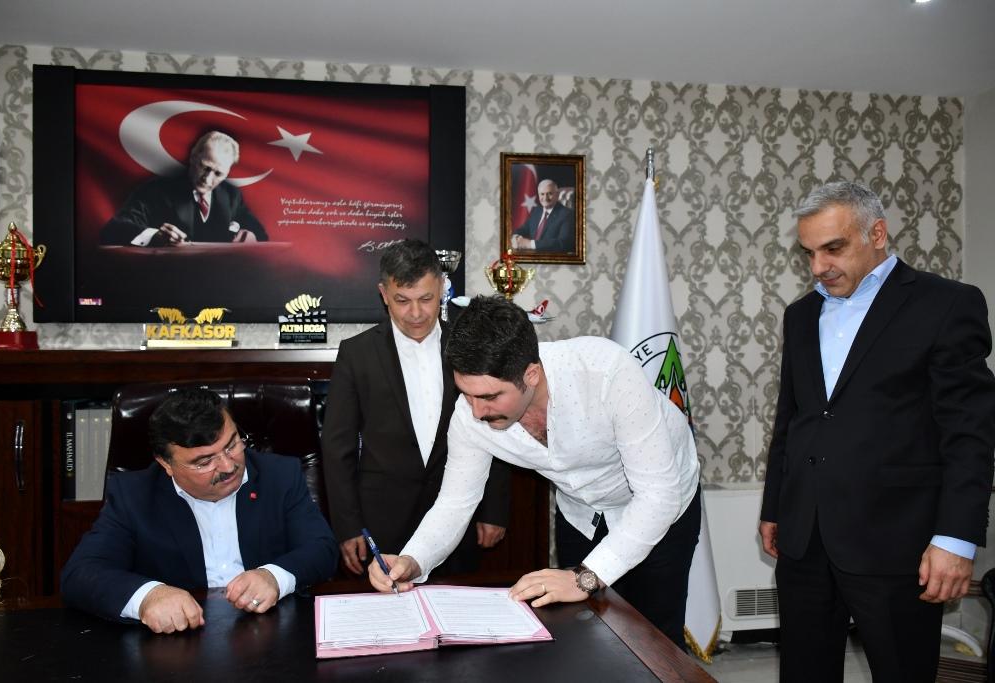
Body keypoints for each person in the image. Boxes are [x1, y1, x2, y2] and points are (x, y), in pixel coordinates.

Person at [368, 294, 702, 650]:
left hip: (661, 506)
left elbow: (658, 495)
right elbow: (455, 502)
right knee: (586, 638)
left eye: (490, 397)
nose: (477, 412)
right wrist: (413, 560)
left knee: (656, 639)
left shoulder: (607, 374)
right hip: (582, 512)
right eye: (466, 394)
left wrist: (585, 578)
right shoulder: (470, 415)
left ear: (531, 374)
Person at [759, 181, 995, 683]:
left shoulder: (946, 304)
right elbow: (793, 418)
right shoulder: (800, 315)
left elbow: (970, 434)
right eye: (809, 253)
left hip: (897, 540)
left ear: (878, 234)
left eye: (833, 248)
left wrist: (956, 539)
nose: (819, 266)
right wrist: (775, 507)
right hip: (805, 538)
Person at [60, 388, 338, 634]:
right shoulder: (134, 496)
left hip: (270, 631)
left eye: (232, 445)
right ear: (166, 464)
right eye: (205, 462)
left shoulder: (280, 475)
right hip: (180, 644)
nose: (228, 466)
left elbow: (321, 548)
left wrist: (274, 576)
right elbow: (81, 573)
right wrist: (148, 597)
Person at [321, 239, 510, 578]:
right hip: (382, 522)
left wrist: (493, 509)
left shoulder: (472, 348)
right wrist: (347, 525)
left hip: (458, 519)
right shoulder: (357, 354)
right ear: (384, 294)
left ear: (442, 287)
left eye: (426, 298)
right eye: (402, 301)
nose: (416, 313)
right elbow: (338, 448)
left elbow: (494, 428)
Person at [100, 131, 268, 246]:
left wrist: (251, 237)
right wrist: (155, 236)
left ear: (227, 173)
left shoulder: (231, 195)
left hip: (217, 281)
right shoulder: (156, 189)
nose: (207, 179)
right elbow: (112, 230)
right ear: (193, 157)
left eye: (218, 174)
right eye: (205, 167)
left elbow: (261, 234)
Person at [511, 179, 575, 253]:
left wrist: (529, 244)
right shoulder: (537, 211)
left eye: (549, 194)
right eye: (542, 194)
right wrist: (515, 238)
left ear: (557, 194)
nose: (545, 198)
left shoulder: (566, 214)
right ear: (538, 195)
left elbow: (562, 242)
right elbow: (524, 229)